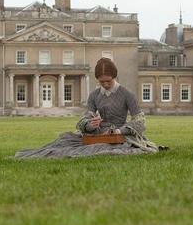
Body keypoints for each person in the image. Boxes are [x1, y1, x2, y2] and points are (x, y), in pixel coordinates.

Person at [15, 58, 159, 158]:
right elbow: (86, 117)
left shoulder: (127, 94)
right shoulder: (94, 95)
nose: (106, 84)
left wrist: (120, 130)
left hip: (119, 134)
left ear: (114, 77)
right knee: (64, 141)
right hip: (97, 133)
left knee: (107, 149)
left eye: (108, 81)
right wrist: (90, 124)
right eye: (102, 82)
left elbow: (140, 120)